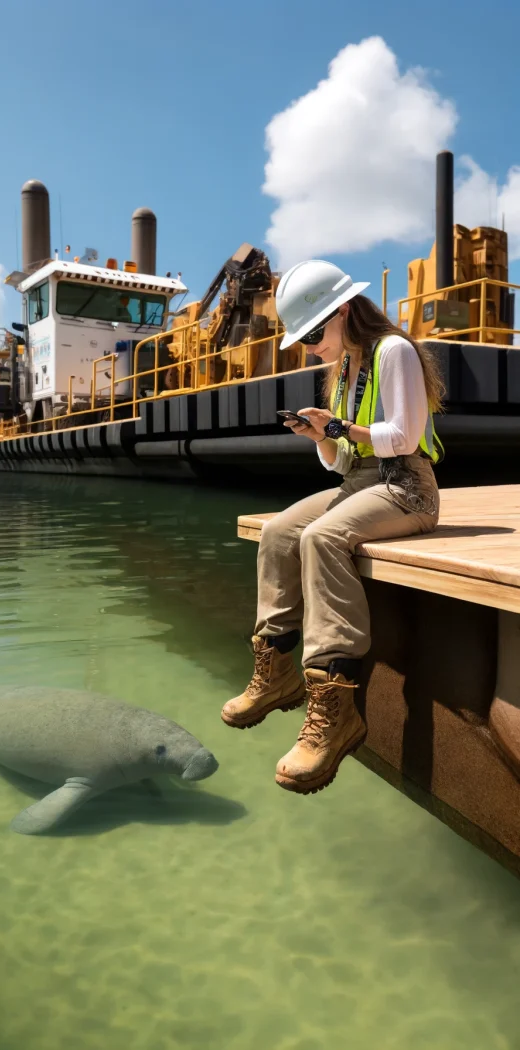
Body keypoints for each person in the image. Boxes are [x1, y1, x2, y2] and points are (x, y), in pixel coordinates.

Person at [221, 260, 444, 795]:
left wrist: (340, 425)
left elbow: (406, 438)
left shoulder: (395, 352)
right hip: (362, 482)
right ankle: (276, 669)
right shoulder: (344, 367)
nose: (312, 346)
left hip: (406, 486)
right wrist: (321, 437)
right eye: (306, 339)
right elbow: (345, 463)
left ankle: (334, 705)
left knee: (321, 537)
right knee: (278, 532)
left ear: (343, 311)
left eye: (315, 334)